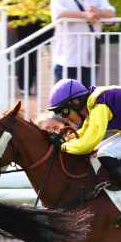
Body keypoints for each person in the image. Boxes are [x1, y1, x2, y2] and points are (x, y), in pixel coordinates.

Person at [48, 79, 121, 214]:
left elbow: (86, 145)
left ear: (76, 102)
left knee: (105, 153)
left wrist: (63, 146)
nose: (64, 119)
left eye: (64, 112)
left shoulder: (99, 104)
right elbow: (83, 134)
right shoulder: (93, 103)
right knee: (98, 152)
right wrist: (66, 139)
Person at [50, 0, 115, 88]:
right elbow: (58, 14)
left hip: (90, 57)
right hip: (66, 56)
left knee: (88, 97)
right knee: (64, 97)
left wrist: (100, 11)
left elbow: (111, 13)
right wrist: (85, 15)